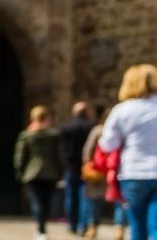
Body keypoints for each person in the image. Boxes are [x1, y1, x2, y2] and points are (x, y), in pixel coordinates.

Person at [100, 64, 157, 240]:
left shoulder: (122, 110)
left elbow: (107, 144)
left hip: (133, 172)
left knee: (136, 225)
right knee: (156, 227)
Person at [17, 105, 64, 240]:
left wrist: (20, 171)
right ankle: (42, 228)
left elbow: (20, 156)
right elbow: (59, 156)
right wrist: (60, 172)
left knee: (37, 202)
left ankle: (40, 229)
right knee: (46, 202)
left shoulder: (27, 135)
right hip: (51, 173)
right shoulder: (54, 135)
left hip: (32, 173)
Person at [87, 105, 128, 240]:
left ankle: (93, 227)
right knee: (120, 201)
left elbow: (88, 149)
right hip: (117, 169)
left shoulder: (98, 130)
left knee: (95, 200)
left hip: (100, 169)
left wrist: (88, 163)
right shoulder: (124, 130)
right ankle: (119, 228)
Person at [65, 102, 96, 235]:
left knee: (70, 196)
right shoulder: (90, 127)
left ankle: (71, 224)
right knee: (85, 196)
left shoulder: (66, 127)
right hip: (87, 165)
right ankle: (82, 226)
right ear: (86, 112)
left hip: (71, 165)